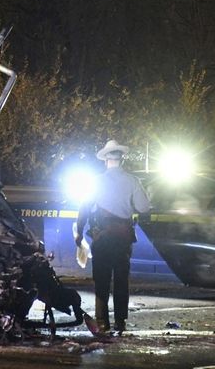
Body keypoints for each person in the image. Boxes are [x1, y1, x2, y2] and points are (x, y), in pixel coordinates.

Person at [75, 139, 150, 333]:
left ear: (105, 160)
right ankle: (120, 321)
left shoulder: (96, 181)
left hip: (102, 237)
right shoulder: (133, 180)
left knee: (101, 279)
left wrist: (79, 233)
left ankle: (102, 322)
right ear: (122, 159)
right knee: (121, 280)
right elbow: (143, 207)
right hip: (123, 238)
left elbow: (84, 208)